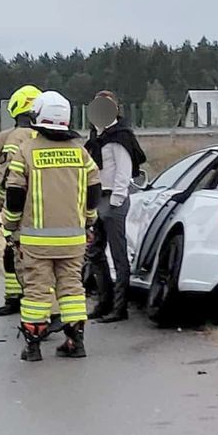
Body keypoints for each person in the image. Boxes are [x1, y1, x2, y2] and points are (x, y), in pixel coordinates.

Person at [2, 91, 101, 361]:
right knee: (72, 289)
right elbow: (94, 189)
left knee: (36, 291)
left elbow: (14, 194)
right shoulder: (80, 152)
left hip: (36, 241)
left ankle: (33, 347)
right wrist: (88, 219)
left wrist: (10, 225)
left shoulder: (26, 151)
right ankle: (75, 342)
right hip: (73, 239)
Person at [84, 91, 147, 322]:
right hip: (97, 198)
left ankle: (120, 308)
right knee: (94, 252)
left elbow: (124, 171)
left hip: (113, 199)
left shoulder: (120, 137)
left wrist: (116, 201)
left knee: (119, 255)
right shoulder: (96, 136)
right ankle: (104, 302)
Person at [0, 85, 41, 316]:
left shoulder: (13, 138)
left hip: (18, 205)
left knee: (16, 252)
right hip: (45, 208)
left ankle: (28, 302)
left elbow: (7, 178)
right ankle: (26, 298)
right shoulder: (52, 136)